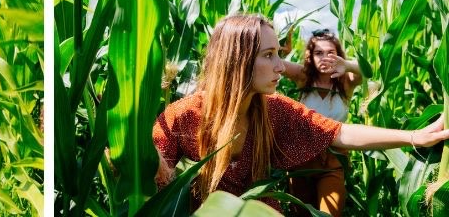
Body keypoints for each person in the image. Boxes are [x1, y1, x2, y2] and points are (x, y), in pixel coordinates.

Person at [153, 14, 448, 211]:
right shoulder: (183, 115)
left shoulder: (275, 110)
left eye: (279, 54)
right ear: (237, 60)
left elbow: (339, 131)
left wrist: (415, 136)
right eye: (269, 55)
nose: (281, 67)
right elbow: (148, 169)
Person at [281, 29, 363, 216]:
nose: (324, 58)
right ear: (311, 56)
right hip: (301, 160)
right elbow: (277, 64)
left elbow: (368, 70)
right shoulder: (303, 77)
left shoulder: (346, 82)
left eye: (330, 53)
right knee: (301, 213)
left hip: (333, 160)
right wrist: (281, 49)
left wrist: (348, 65)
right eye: (318, 53)